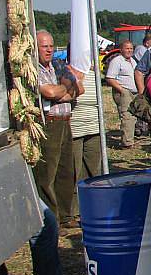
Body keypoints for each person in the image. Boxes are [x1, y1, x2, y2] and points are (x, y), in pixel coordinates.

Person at [34, 30, 81, 225]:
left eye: (51, 46)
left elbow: (78, 88)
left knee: (66, 169)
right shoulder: (34, 69)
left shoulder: (58, 65)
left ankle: (66, 214)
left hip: (65, 120)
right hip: (49, 123)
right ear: (36, 48)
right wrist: (64, 89)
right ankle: (51, 218)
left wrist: (62, 91)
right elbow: (50, 91)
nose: (49, 50)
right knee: (48, 173)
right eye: (45, 46)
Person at [70, 64, 102, 218]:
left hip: (94, 128)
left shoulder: (94, 74)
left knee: (93, 169)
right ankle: (74, 210)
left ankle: (94, 204)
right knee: (74, 170)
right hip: (74, 129)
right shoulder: (66, 72)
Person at [105, 40, 138, 148]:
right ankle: (127, 143)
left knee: (133, 117)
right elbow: (110, 78)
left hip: (133, 92)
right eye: (127, 48)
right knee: (127, 116)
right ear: (121, 49)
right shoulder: (116, 61)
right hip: (124, 92)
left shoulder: (133, 61)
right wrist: (122, 90)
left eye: (131, 48)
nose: (129, 51)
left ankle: (130, 139)